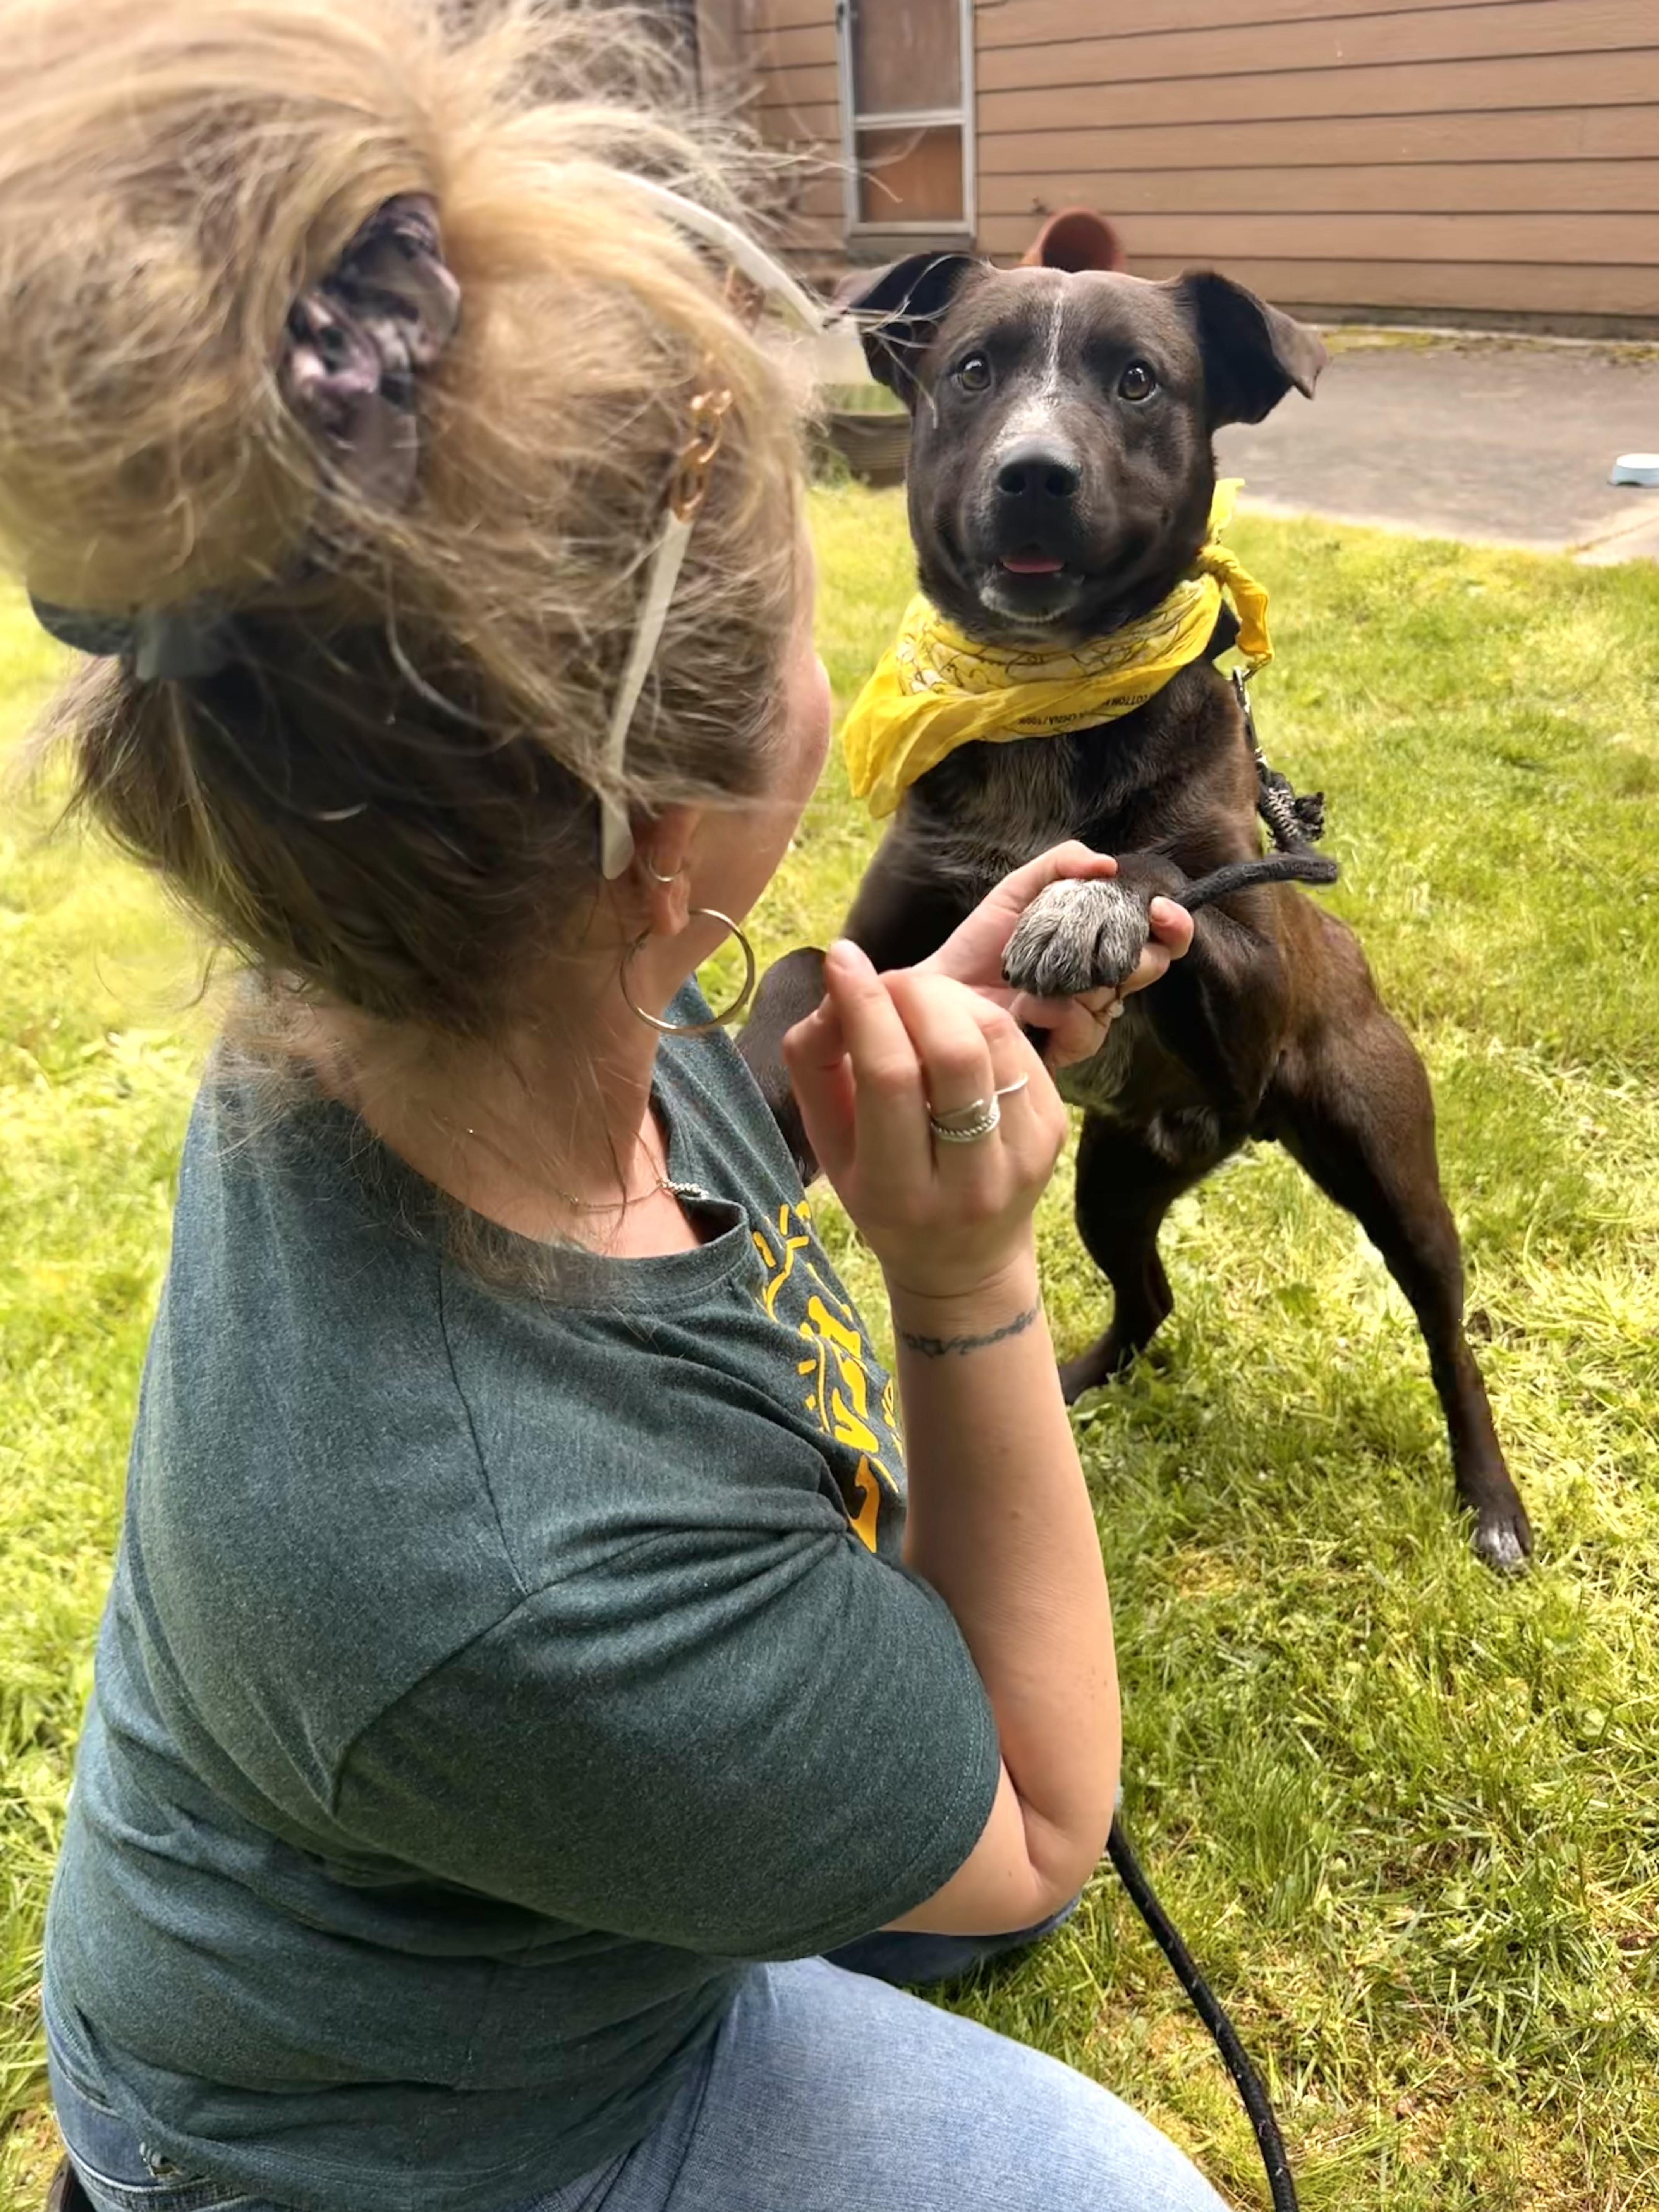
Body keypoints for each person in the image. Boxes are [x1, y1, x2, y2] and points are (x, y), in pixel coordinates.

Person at [2, 3, 1212, 2209]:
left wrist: (879, 1040)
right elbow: (1042, 1812)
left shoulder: (384, 957)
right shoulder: (514, 1574)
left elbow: (648, 1114)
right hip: (381, 2151)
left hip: (358, 1913)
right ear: (668, 840)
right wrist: (961, 1280)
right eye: (800, 633)